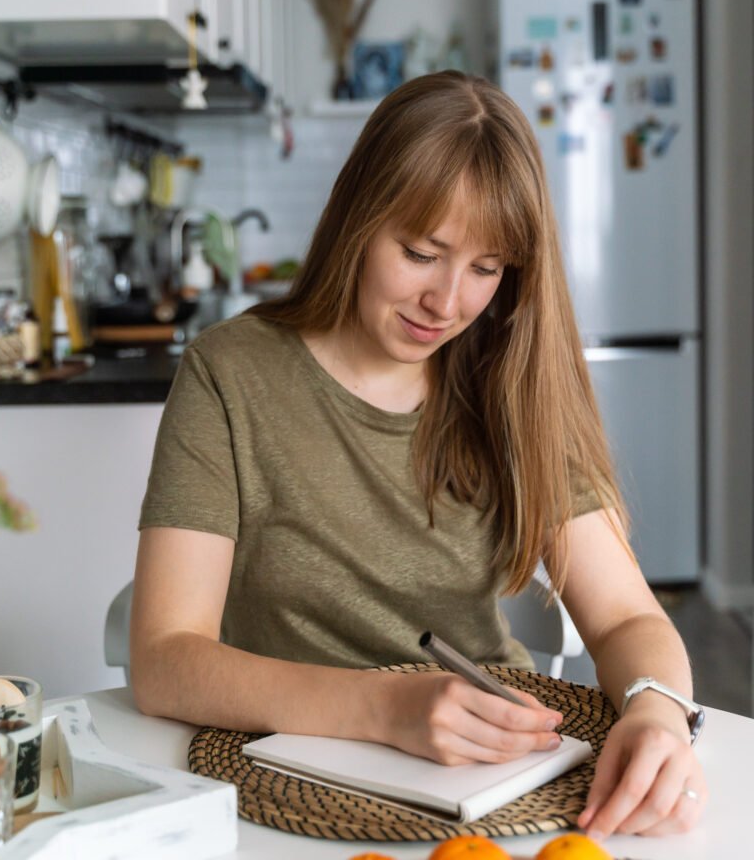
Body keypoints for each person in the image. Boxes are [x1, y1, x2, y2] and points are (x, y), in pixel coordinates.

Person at [131, 71, 706, 840]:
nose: (449, 303)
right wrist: (382, 707)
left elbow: (629, 615)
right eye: (420, 252)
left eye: (486, 268)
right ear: (356, 219)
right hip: (291, 787)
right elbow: (166, 658)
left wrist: (656, 710)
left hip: (495, 786)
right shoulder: (229, 373)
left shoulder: (508, 381)